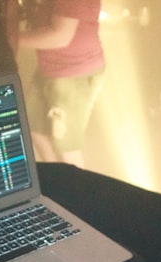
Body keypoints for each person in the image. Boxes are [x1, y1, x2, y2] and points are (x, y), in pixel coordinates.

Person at [18, 0, 105, 168]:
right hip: (50, 70)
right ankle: (60, 182)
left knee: (65, 148)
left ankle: (77, 190)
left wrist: (12, 38)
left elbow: (60, 36)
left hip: (74, 76)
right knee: (35, 129)